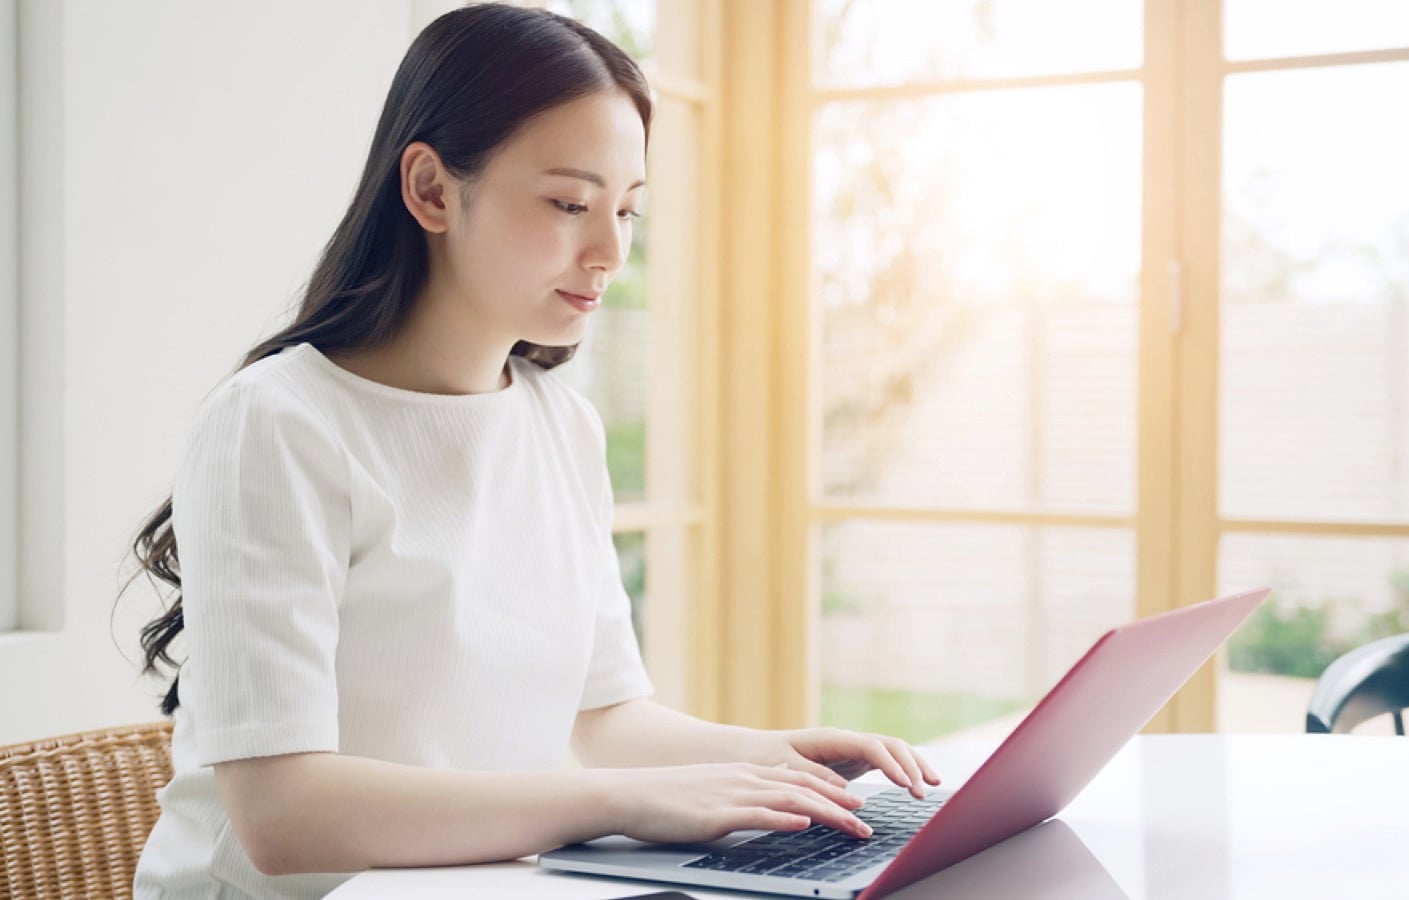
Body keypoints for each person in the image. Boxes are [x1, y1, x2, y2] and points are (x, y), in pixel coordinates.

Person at [126, 6, 938, 899]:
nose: (610, 250)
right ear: (432, 190)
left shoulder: (562, 425)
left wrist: (775, 760)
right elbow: (283, 817)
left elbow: (608, 716)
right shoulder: (278, 424)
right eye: (570, 204)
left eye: (627, 210)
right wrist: (618, 804)